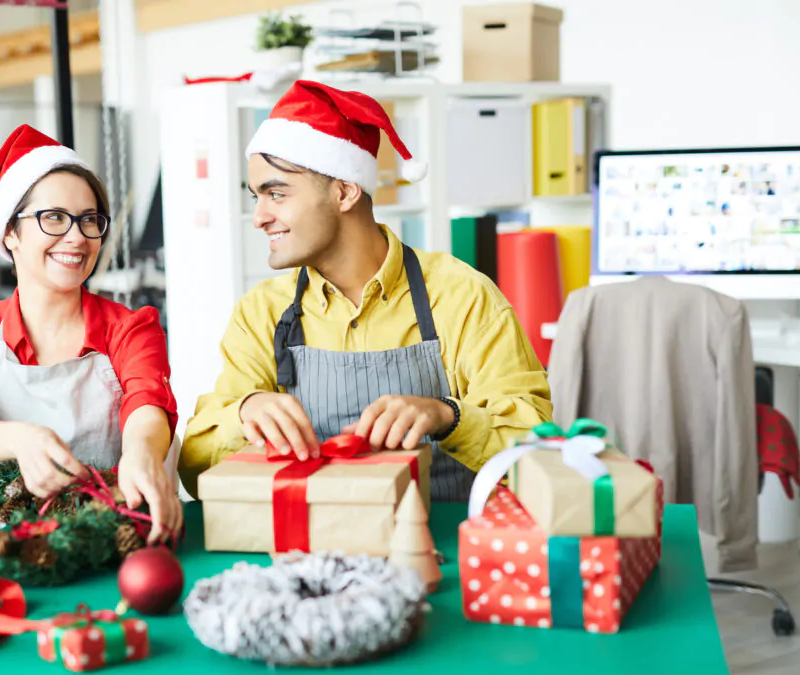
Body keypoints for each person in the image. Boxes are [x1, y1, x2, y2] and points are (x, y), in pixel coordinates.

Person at [179, 80, 552, 501]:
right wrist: (243, 414)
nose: (259, 217)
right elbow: (194, 469)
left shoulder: (463, 297)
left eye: (276, 194)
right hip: (309, 547)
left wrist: (447, 417)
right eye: (256, 197)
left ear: (345, 191)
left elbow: (536, 451)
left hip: (442, 546)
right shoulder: (261, 313)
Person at [0, 124, 180, 542]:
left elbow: (147, 408)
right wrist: (23, 439)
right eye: (55, 218)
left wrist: (141, 454)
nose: (77, 237)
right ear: (11, 232)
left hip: (108, 533)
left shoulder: (131, 328)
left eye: (88, 220)